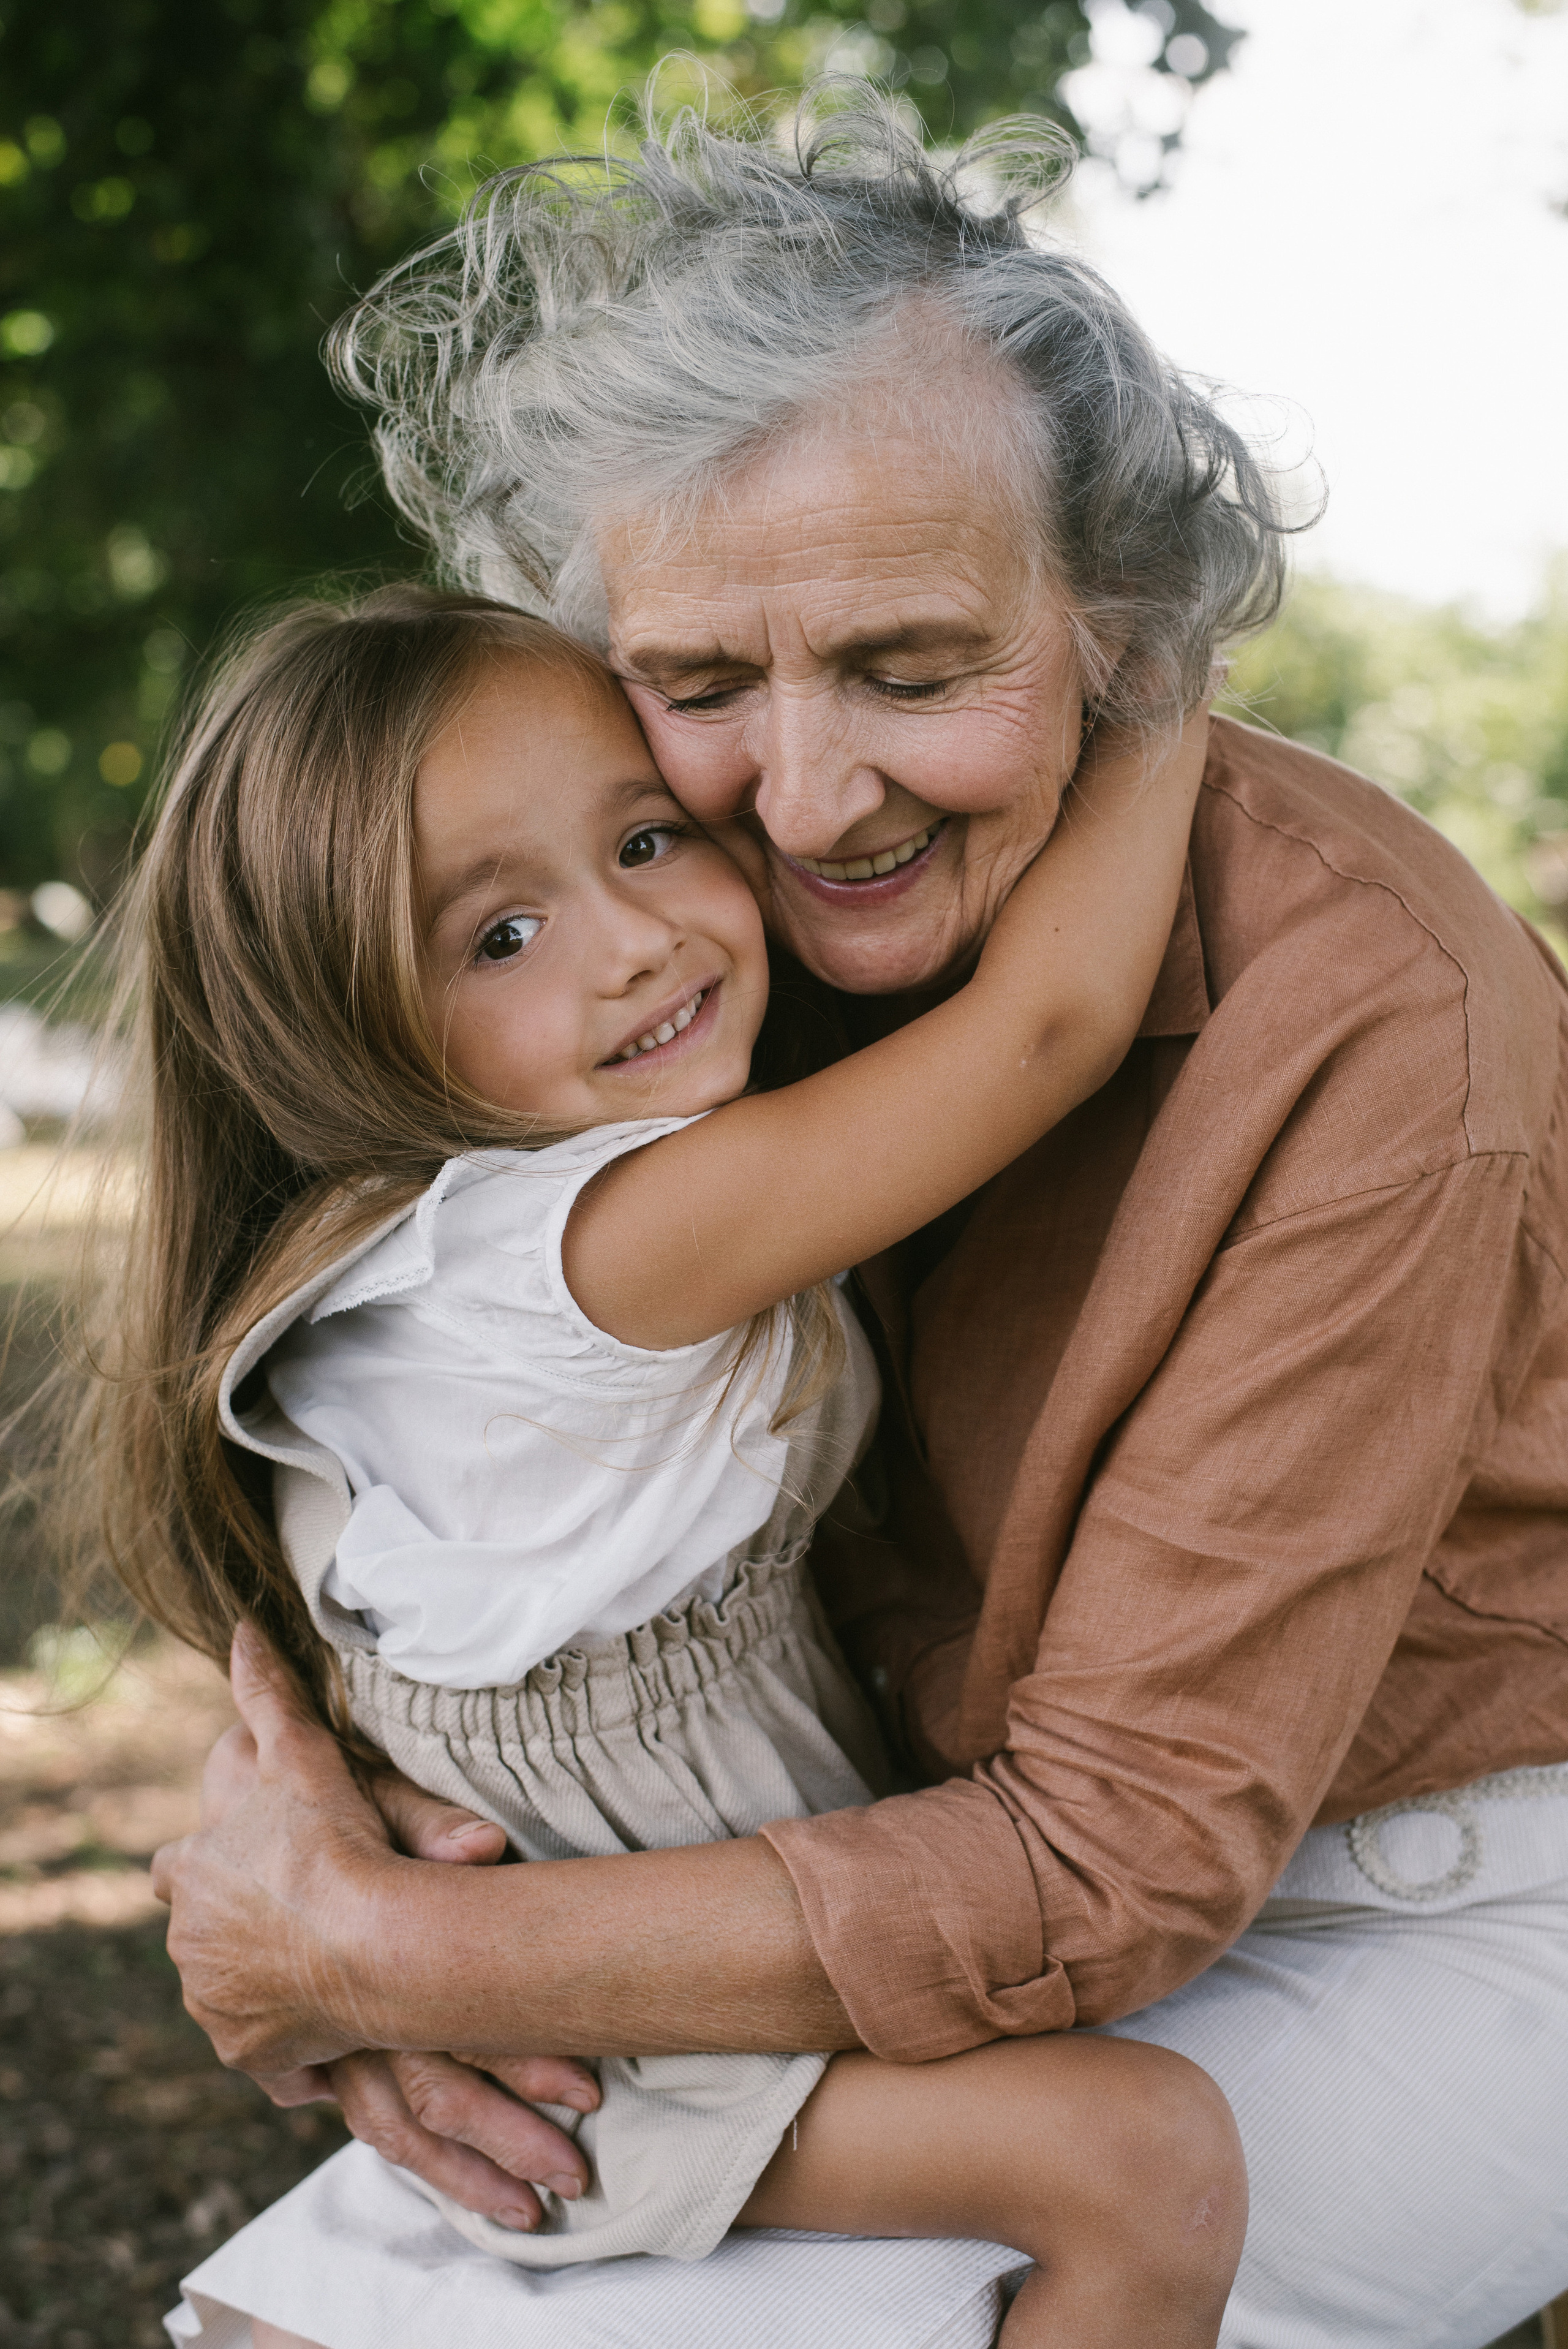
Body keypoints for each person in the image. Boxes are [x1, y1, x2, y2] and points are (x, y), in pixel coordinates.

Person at [151, 93, 1568, 2349]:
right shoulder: (668, 928)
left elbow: (1113, 1865)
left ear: (1116, 626)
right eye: (703, 685)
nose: (806, 798)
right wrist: (302, 1847)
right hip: (869, 1874)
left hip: (1414, 1909)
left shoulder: (1371, 1016)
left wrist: (379, 1955)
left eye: (915, 669)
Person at [88, 580, 1239, 2347]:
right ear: (334, 1028)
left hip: (661, 1937)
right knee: (1146, 2163)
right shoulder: (581, 1247)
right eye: (498, 936)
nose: (627, 938)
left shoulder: (417, 1245)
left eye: (645, 835)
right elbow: (1049, 1028)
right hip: (612, 2025)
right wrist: (1151, 657)